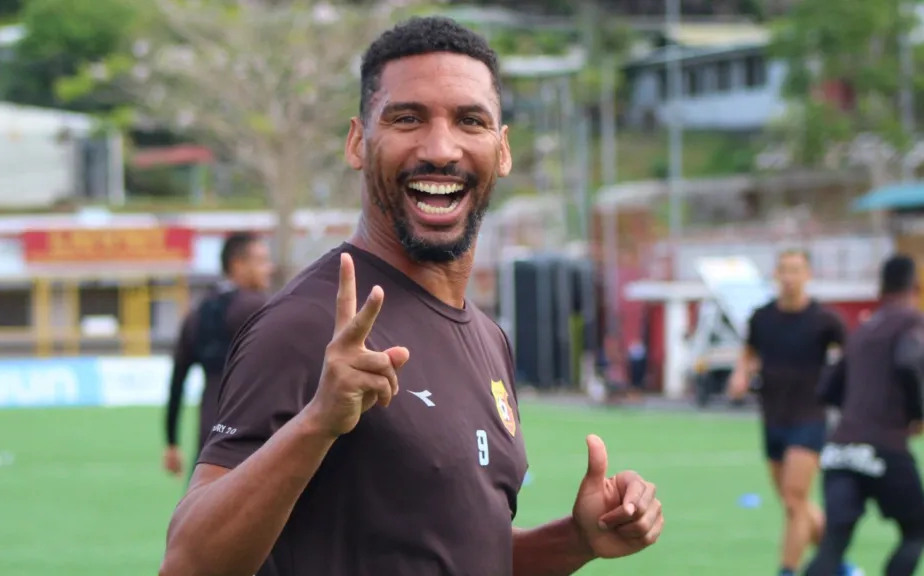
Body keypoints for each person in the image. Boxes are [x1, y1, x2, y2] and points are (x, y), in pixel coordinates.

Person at [158, 17, 663, 576]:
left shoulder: (488, 336)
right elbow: (189, 563)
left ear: (502, 150)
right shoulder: (308, 325)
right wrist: (318, 422)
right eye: (407, 118)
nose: (441, 149)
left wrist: (576, 541)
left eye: (470, 120)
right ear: (358, 142)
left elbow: (454, 554)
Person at [728, 249, 861, 576]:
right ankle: (839, 564)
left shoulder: (825, 321)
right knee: (797, 505)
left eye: (796, 270)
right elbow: (748, 352)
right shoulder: (761, 318)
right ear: (775, 274)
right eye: (783, 270)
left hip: (810, 418)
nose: (789, 277)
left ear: (808, 275)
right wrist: (740, 373)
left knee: (793, 500)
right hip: (772, 419)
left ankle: (788, 571)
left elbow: (854, 358)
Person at [804, 254, 924, 576]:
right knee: (916, 531)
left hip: (841, 450)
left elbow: (827, 389)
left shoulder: (863, 330)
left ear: (880, 286)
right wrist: (917, 412)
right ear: (915, 284)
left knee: (834, 542)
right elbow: (910, 361)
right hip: (884, 447)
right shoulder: (911, 321)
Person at [162, 232, 274, 477]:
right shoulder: (260, 307)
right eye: (262, 260)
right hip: (254, 435)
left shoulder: (197, 313)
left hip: (209, 436)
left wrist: (171, 442)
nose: (269, 267)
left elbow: (177, 381)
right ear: (238, 264)